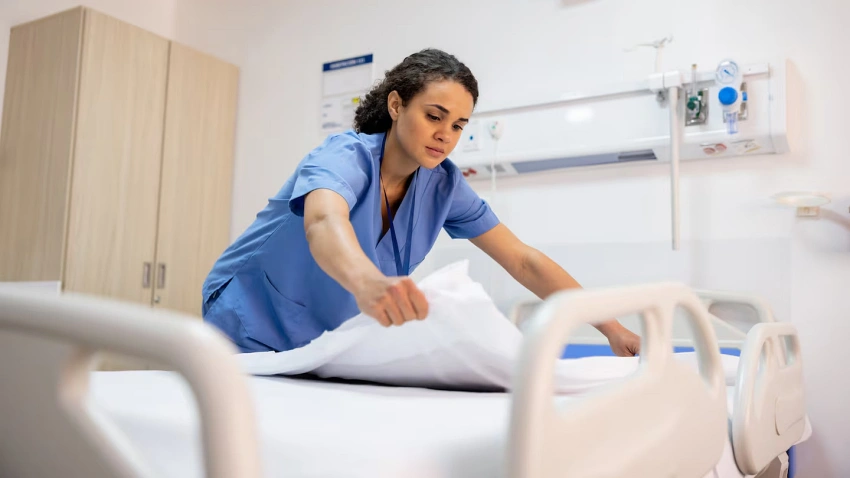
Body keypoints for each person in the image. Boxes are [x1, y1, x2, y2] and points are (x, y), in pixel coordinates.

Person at [201, 48, 640, 357]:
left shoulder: (443, 186)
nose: (445, 134)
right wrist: (370, 282)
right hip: (249, 319)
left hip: (320, 338)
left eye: (458, 125)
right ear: (396, 105)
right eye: (434, 116)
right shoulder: (345, 156)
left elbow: (523, 260)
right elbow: (322, 220)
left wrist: (609, 325)